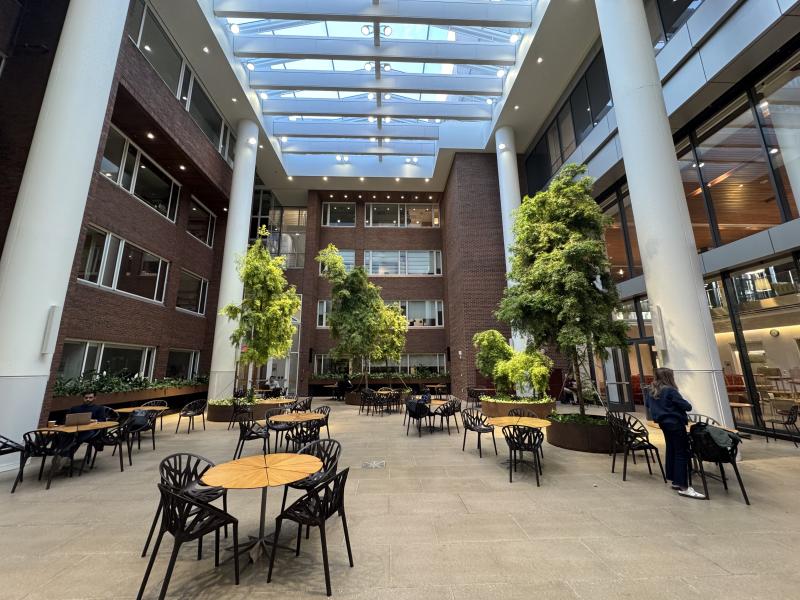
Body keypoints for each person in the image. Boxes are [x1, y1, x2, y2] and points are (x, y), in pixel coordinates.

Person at [645, 368, 704, 499]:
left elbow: (648, 405)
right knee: (681, 453)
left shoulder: (652, 391)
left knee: (671, 450)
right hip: (675, 424)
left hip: (663, 424)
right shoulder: (670, 391)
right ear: (669, 377)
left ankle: (675, 480)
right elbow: (687, 406)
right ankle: (683, 486)